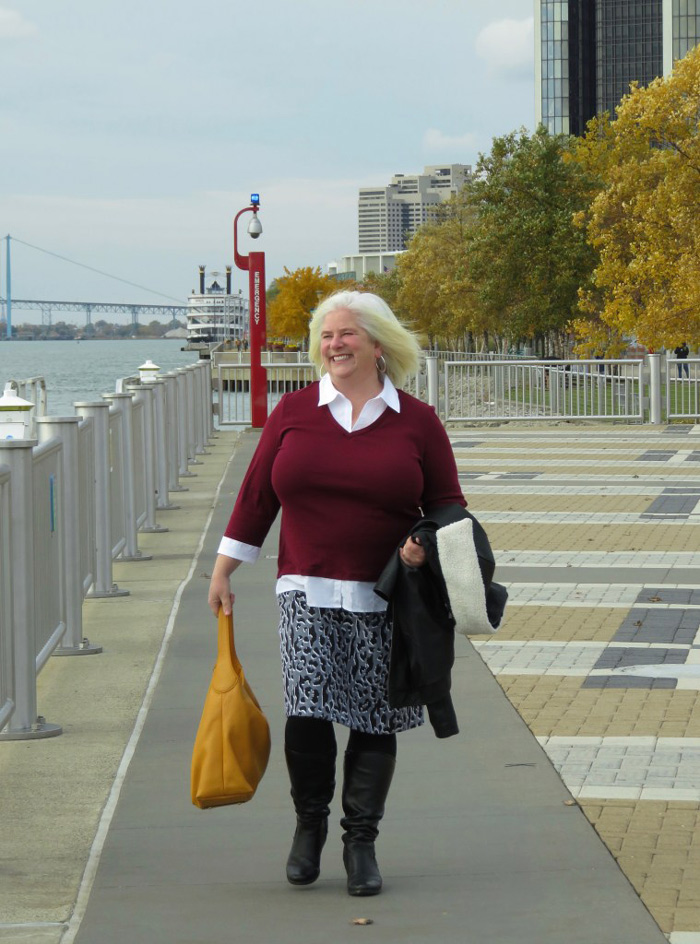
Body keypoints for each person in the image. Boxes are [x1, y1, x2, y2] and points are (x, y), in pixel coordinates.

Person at [208, 290, 465, 897]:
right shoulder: (294, 412)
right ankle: (308, 828)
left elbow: (448, 503)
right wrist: (223, 570)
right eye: (327, 335)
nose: (335, 344)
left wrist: (424, 542)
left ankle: (361, 842)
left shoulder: (417, 420)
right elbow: (255, 499)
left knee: (374, 716)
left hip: (385, 594)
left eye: (347, 334)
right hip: (305, 587)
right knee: (309, 708)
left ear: (379, 345)